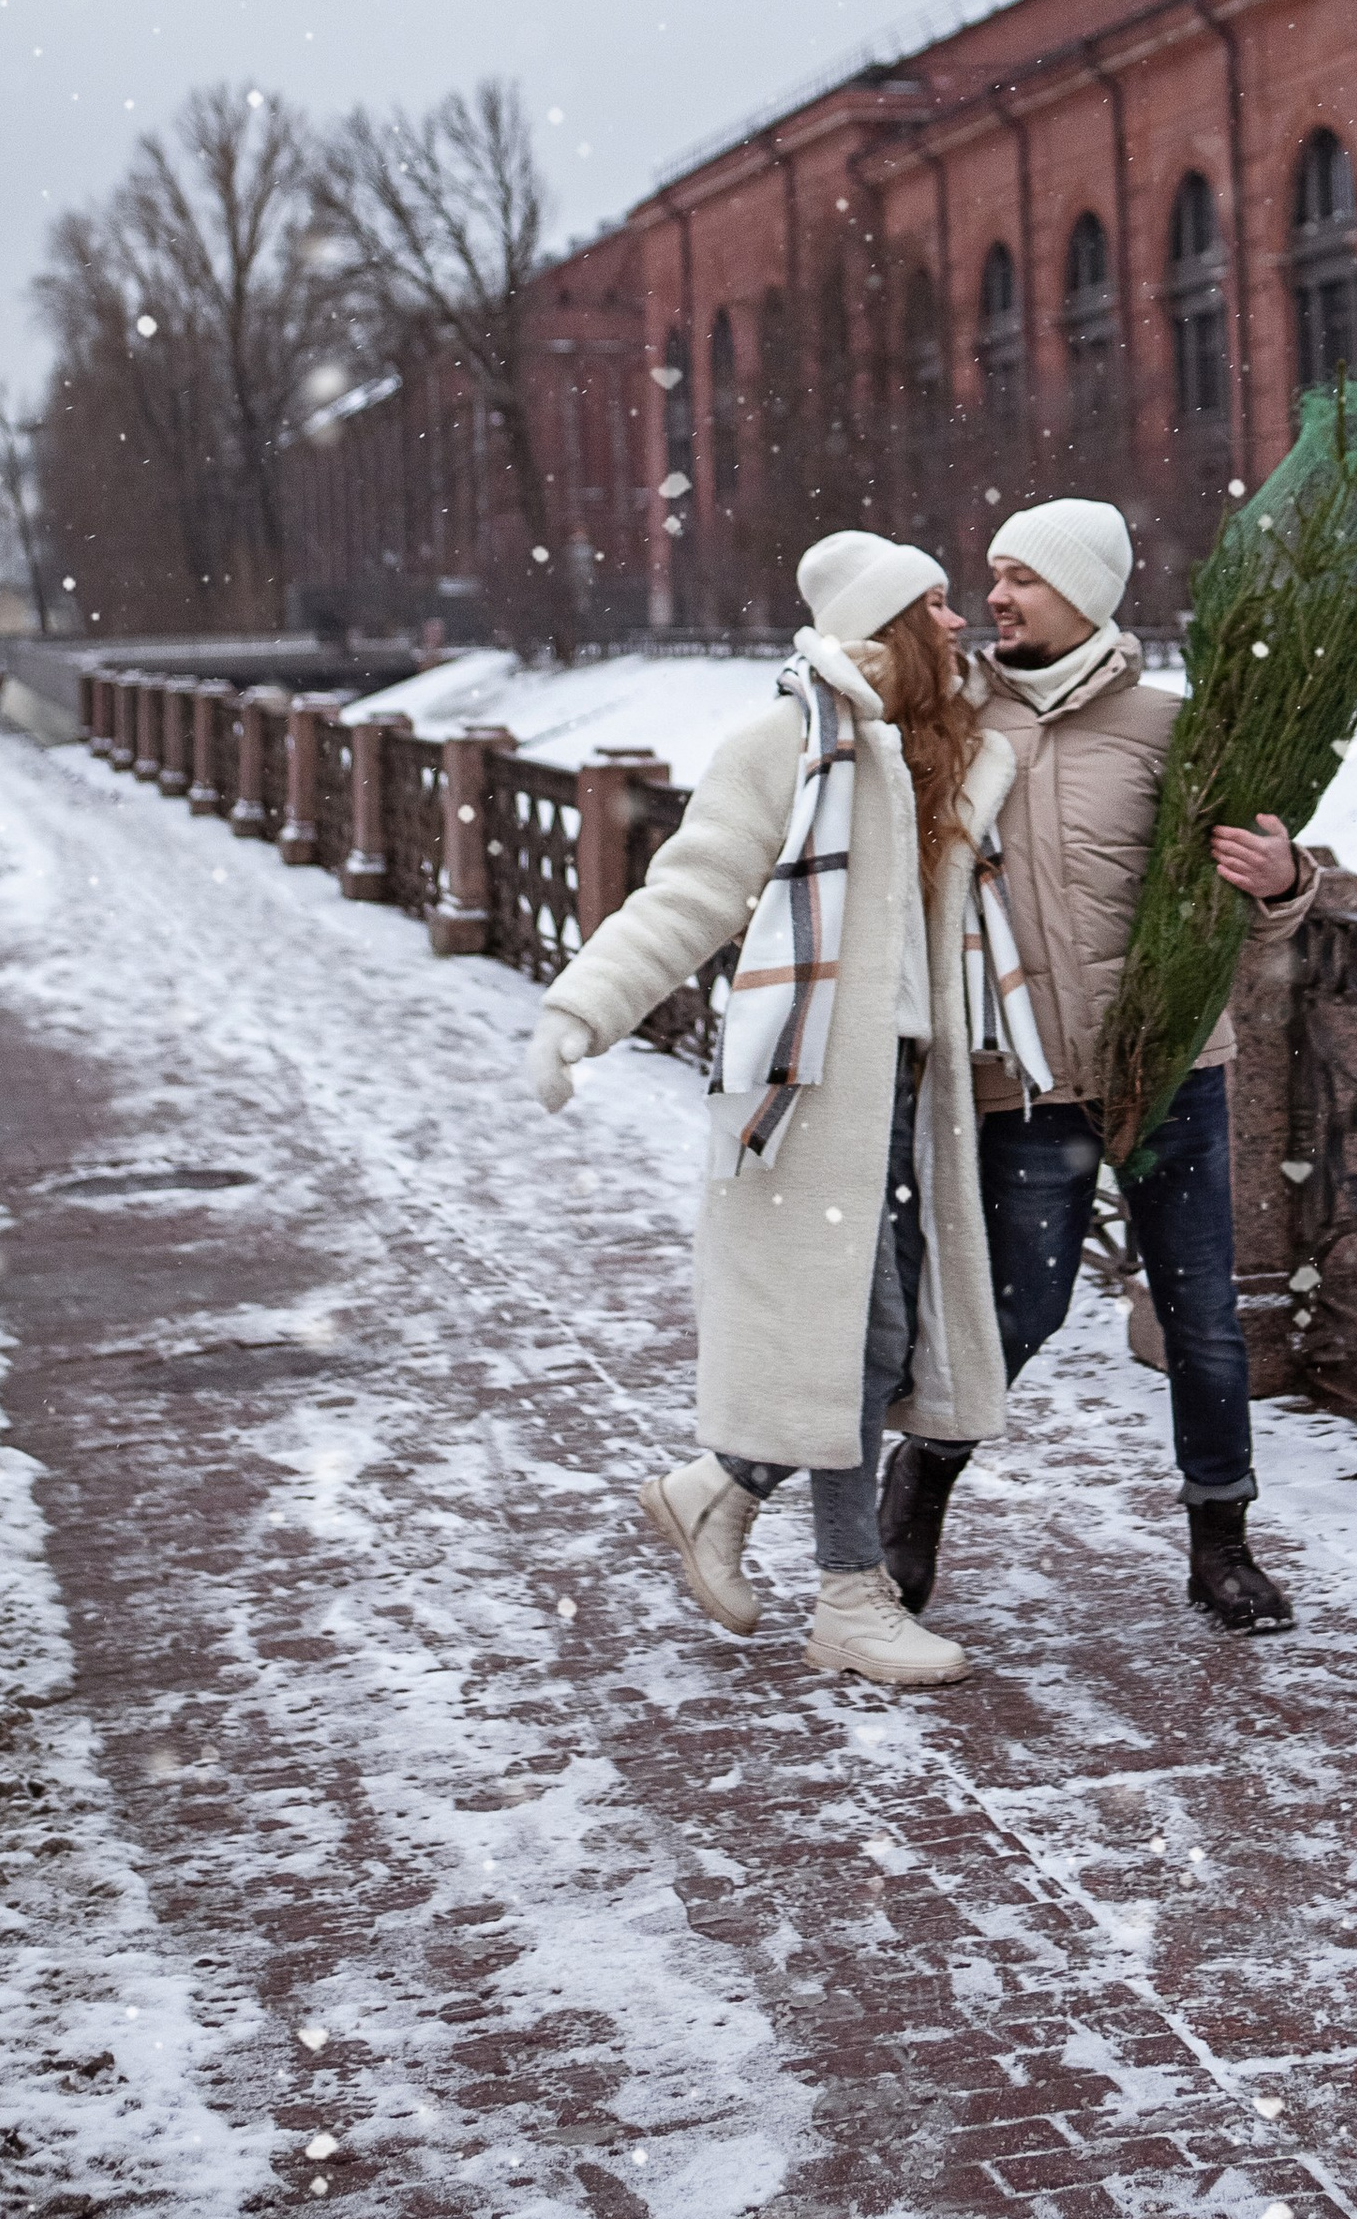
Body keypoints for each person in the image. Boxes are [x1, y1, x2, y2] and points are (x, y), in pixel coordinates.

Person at [524, 529, 1040, 1690]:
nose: (958, 620)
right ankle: (847, 1596)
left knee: (878, 1339)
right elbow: (689, 894)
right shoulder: (790, 743)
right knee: (855, 1337)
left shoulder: (928, 746)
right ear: (888, 621)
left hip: (901, 1090)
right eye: (936, 604)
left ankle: (721, 1489)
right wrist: (581, 1011)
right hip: (809, 1088)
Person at [878, 496, 1314, 1636]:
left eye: (1021, 577)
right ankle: (918, 1490)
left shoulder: (1173, 727)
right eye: (992, 574)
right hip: (1021, 1080)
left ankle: (1222, 1543)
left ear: (1084, 592)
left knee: (1202, 1315)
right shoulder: (954, 724)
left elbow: (1250, 895)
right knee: (1015, 1312)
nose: (996, 597)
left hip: (1172, 1069)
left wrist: (1284, 880)